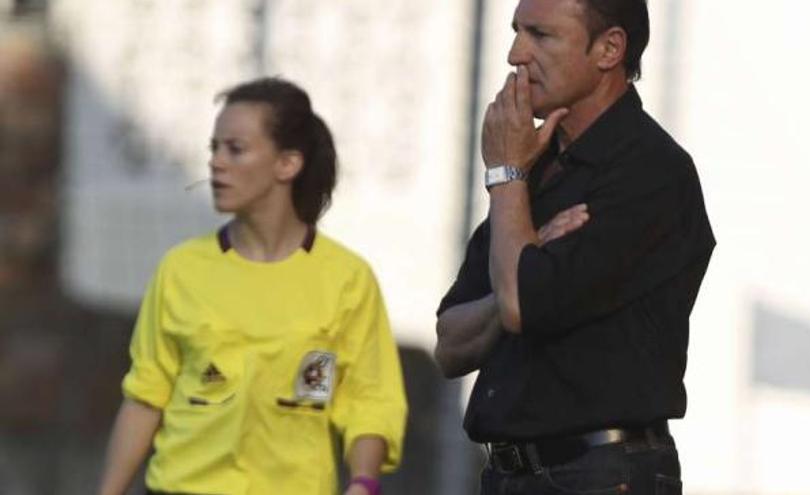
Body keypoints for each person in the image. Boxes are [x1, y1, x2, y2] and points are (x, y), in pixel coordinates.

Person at [434, 0, 715, 494]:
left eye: (541, 35)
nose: (515, 54)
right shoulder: (533, 170)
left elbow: (520, 303)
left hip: (600, 474)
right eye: (516, 31)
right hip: (507, 475)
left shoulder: (650, 171)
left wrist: (505, 179)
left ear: (609, 48)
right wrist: (530, 246)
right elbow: (451, 344)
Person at [97, 77, 407, 495]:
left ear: (287, 164)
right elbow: (145, 397)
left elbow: (372, 401)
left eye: (235, 149)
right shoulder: (181, 269)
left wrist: (364, 483)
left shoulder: (347, 279)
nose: (216, 163)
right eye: (214, 148)